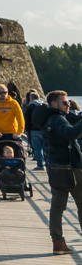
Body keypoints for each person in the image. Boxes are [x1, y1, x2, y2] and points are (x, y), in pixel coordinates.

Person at [42, 90, 82, 255]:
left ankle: (58, 242)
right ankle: (58, 241)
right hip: (69, 168)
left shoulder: (51, 119)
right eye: (65, 102)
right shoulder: (57, 119)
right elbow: (69, 133)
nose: (68, 105)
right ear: (54, 104)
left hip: (57, 167)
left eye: (69, 102)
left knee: (57, 206)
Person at [0, 84, 25, 156]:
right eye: (1, 93)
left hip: (13, 134)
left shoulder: (14, 103)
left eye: (5, 92)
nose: (3, 94)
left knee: (17, 155)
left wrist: (19, 133)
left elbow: (20, 119)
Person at [24, 91, 49, 170]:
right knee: (46, 148)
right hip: (44, 130)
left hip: (33, 130)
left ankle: (40, 165)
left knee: (37, 149)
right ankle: (48, 164)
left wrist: (27, 129)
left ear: (31, 98)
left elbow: (26, 119)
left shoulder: (30, 106)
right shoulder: (45, 105)